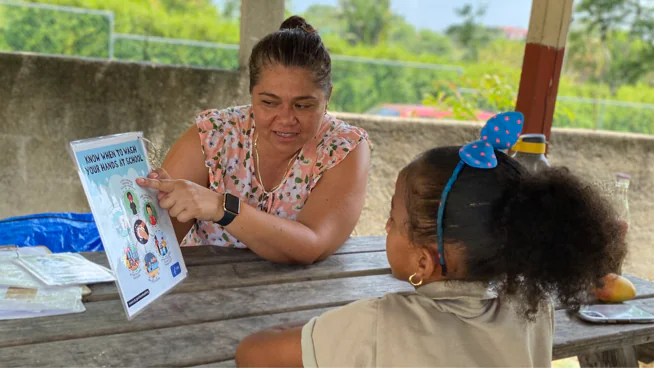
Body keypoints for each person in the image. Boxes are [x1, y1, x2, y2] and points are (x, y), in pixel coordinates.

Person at [234, 112, 626, 367]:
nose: (385, 228)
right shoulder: (533, 307)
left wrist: (313, 330)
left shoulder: (377, 323)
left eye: (392, 219)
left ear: (424, 262)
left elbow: (251, 354)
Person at [136, 15, 371, 264]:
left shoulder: (344, 148)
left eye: (303, 105)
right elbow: (156, 241)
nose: (285, 119)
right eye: (269, 102)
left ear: (327, 97)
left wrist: (221, 207)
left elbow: (311, 244)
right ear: (251, 94)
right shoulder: (214, 136)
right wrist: (158, 204)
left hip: (310, 296)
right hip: (209, 293)